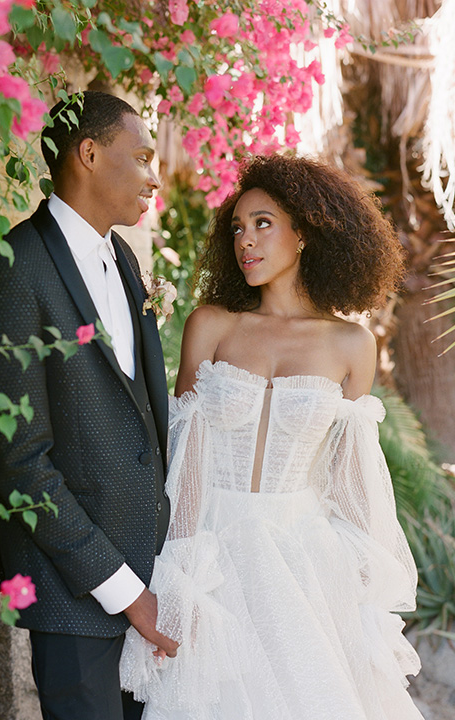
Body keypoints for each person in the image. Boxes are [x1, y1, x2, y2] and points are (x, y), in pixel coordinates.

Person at [120, 154, 425, 719]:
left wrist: (360, 584)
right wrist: (181, 572)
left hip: (307, 561)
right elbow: (183, 464)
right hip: (214, 552)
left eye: (263, 223)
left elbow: (352, 481)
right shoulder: (212, 325)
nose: (246, 241)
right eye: (237, 227)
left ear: (304, 233)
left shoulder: (351, 345)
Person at [0, 90, 178, 720]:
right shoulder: (9, 270)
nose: (154, 174)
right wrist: (124, 592)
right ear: (88, 153)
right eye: (142, 156)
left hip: (155, 573)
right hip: (75, 594)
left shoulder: (122, 258)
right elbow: (21, 466)